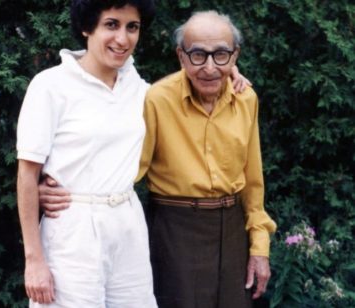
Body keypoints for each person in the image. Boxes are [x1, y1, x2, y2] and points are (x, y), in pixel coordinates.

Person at [37, 10, 264, 308]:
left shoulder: (246, 99)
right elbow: (118, 160)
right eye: (198, 55)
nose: (210, 67)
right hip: (176, 230)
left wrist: (260, 245)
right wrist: (58, 187)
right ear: (181, 56)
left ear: (235, 56)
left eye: (221, 55)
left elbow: (253, 183)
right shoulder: (155, 99)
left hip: (233, 229)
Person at [16, 1, 158, 307]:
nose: (122, 38)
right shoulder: (50, 86)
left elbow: (195, 87)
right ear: (86, 27)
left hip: (127, 224)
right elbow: (27, 174)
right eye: (111, 24)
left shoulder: (142, 89)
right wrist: (34, 260)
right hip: (72, 229)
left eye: (131, 27)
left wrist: (232, 74)